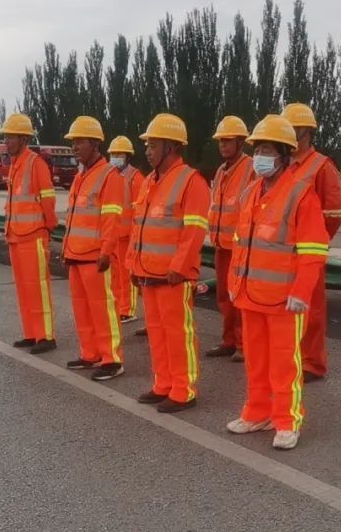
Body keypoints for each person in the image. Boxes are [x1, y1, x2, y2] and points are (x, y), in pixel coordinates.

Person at [224, 115, 328, 450]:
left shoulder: (301, 195)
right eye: (257, 150)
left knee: (284, 363)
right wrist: (234, 282)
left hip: (284, 300)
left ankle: (287, 420)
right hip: (250, 294)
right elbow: (241, 243)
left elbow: (313, 251)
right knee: (256, 361)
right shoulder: (251, 192)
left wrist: (301, 291)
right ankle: (257, 413)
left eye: (267, 150)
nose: (259, 157)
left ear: (284, 154)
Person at [126, 113, 209, 413]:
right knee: (157, 333)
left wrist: (179, 266)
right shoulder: (149, 181)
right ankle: (163, 384)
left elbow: (194, 230)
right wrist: (132, 264)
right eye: (147, 145)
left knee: (177, 334)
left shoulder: (191, 181)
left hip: (174, 276)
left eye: (153, 145)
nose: (147, 151)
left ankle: (184, 390)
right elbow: (138, 225)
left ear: (171, 147)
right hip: (149, 272)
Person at [281, 103, 341, 382]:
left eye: (293, 128)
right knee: (285, 310)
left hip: (307, 251)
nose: (288, 134)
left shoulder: (321, 166)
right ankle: (291, 358)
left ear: (306, 131)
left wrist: (313, 244)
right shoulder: (283, 164)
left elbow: (333, 215)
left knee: (312, 309)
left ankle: (312, 363)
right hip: (281, 252)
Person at [61, 116, 126, 381]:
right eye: (73, 142)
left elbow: (112, 218)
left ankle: (112, 359)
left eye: (80, 142)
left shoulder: (109, 175)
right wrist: (66, 249)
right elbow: (74, 218)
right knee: (82, 309)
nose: (75, 147)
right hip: (76, 254)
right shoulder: (81, 176)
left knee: (102, 309)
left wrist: (106, 252)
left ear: (96, 144)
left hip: (95, 257)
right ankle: (89, 353)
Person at [2, 113, 59, 354]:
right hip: (16, 235)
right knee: (24, 288)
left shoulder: (36, 164)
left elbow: (48, 199)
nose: (6, 142)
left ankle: (46, 335)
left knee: (38, 287)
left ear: (24, 139)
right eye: (6, 137)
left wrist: (47, 226)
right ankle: (31, 333)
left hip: (33, 235)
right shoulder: (15, 164)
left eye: (11, 137)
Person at [204, 115, 254, 363]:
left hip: (241, 247)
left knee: (240, 297)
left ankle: (244, 344)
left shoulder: (251, 169)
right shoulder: (222, 170)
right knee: (224, 296)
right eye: (221, 141)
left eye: (228, 141)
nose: (223, 145)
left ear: (241, 142)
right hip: (222, 244)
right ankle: (229, 340)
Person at [107, 136, 143, 324]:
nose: (115, 157)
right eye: (113, 154)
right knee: (115, 274)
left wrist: (136, 236)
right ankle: (118, 305)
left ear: (128, 157)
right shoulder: (110, 176)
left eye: (119, 154)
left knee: (127, 273)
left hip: (129, 235)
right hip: (114, 235)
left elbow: (140, 209)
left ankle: (128, 309)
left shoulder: (136, 178)